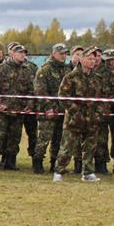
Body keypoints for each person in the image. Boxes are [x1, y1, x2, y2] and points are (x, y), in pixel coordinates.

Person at [53, 47, 103, 183]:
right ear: (81, 59)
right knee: (67, 147)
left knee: (90, 148)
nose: (92, 61)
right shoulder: (70, 77)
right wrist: (76, 112)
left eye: (94, 58)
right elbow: (63, 97)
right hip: (74, 119)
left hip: (92, 118)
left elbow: (102, 99)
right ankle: (59, 171)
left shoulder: (98, 78)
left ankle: (88, 172)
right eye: (89, 58)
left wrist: (98, 114)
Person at [0, 44, 34, 171]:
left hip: (18, 110)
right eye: (20, 52)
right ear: (12, 54)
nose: (22, 55)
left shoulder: (26, 71)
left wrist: (29, 105)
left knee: (15, 137)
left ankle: (10, 161)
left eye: (24, 53)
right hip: (3, 110)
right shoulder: (1, 69)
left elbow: (31, 91)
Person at [32, 43, 70, 174]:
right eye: (61, 53)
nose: (64, 56)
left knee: (59, 139)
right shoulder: (44, 70)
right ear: (54, 53)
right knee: (44, 138)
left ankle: (55, 164)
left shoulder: (66, 70)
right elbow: (40, 91)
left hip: (62, 111)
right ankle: (37, 163)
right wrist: (49, 107)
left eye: (65, 53)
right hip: (47, 111)